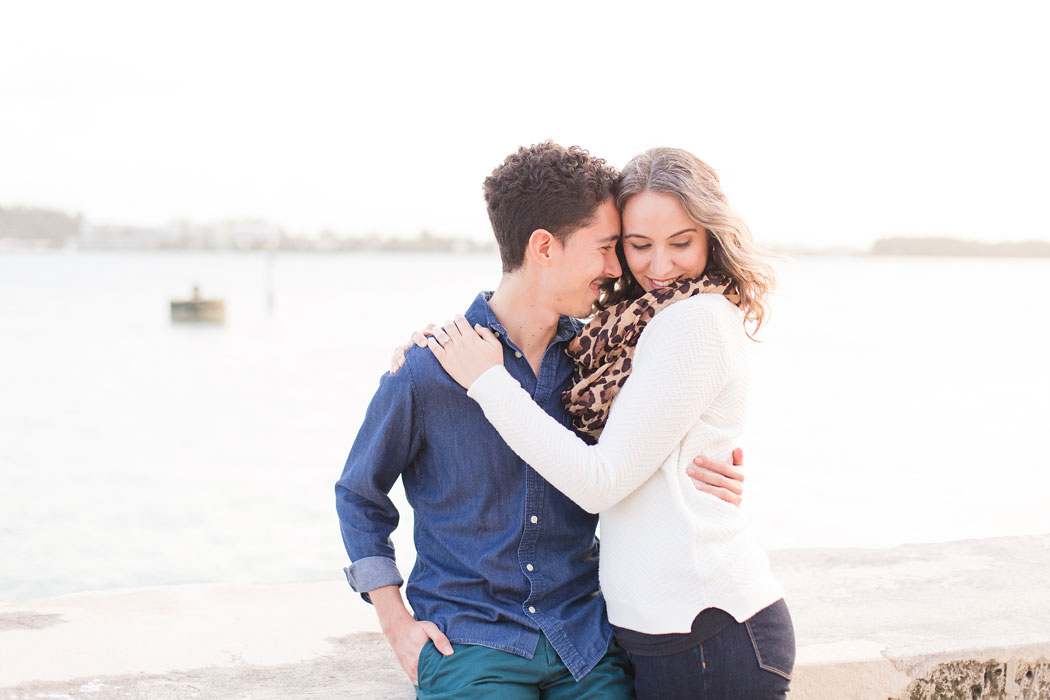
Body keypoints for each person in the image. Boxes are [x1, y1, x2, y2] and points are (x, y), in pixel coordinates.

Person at [335, 142, 745, 699]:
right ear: (544, 247)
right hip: (471, 646)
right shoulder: (429, 371)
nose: (615, 267)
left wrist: (716, 471)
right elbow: (359, 494)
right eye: (606, 248)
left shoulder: (601, 366)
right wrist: (395, 622)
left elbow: (661, 434)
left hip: (587, 644)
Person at [425, 147, 794, 700]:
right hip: (658, 631)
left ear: (710, 237)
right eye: (638, 245)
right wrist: (438, 345)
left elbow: (601, 480)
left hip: (705, 630)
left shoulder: (693, 320)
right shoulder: (626, 328)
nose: (659, 266)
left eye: (681, 243)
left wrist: (488, 382)